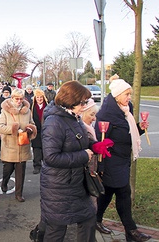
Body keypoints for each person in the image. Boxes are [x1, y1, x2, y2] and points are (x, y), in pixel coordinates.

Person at [94, 75, 151, 242]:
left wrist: (139, 128)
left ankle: (96, 219)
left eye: (130, 94)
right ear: (117, 95)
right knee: (123, 192)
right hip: (111, 160)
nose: (129, 98)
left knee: (107, 192)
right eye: (126, 94)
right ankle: (131, 231)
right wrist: (101, 167)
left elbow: (127, 132)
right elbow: (100, 141)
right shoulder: (106, 114)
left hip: (123, 159)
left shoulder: (127, 108)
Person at [39, 81, 97, 241]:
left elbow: (78, 140)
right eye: (83, 102)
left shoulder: (73, 118)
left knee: (88, 219)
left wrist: (95, 146)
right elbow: (51, 157)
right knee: (56, 230)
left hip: (75, 184)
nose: (85, 106)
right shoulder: (54, 122)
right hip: (58, 187)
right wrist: (84, 156)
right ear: (71, 100)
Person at [0, 88, 37, 202]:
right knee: (8, 168)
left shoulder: (27, 111)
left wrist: (30, 129)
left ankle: (19, 193)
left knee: (21, 171)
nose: (19, 101)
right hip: (10, 145)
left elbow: (32, 123)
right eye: (16, 99)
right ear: (12, 98)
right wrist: (14, 129)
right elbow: (0, 126)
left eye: (21, 99)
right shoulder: (5, 111)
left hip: (23, 144)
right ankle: (4, 182)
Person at [30, 89, 48, 174]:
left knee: (46, 149)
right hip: (36, 131)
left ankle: (46, 165)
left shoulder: (48, 106)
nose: (39, 99)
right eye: (38, 97)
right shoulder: (32, 106)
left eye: (41, 97)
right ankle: (37, 166)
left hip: (46, 131)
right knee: (36, 150)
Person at [0, 85, 11, 152]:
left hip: (9, 123)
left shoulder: (12, 101)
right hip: (0, 121)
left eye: (7, 92)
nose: (6, 94)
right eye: (5, 92)